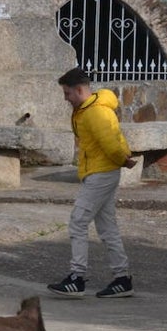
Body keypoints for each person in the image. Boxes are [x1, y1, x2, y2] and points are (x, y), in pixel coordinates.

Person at [46, 68, 137, 300]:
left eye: (67, 93)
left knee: (78, 222)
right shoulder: (88, 109)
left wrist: (123, 160)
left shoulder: (94, 112)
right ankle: (122, 279)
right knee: (107, 228)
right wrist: (122, 158)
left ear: (79, 90)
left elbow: (111, 142)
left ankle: (77, 278)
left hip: (101, 173)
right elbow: (115, 138)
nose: (65, 98)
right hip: (100, 171)